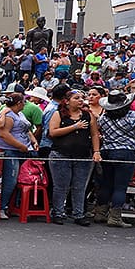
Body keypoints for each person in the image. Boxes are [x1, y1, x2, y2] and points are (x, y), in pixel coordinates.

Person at [93, 90, 135, 228]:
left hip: (106, 151)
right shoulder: (132, 116)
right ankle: (115, 217)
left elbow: (99, 131)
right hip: (126, 153)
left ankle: (100, 213)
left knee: (106, 183)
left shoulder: (104, 117)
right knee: (120, 186)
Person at [47, 90, 99, 225]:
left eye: (82, 97)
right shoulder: (58, 114)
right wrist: (74, 126)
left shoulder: (88, 116)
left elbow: (94, 134)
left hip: (83, 156)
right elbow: (53, 132)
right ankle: (58, 212)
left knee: (80, 186)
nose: (81, 100)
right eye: (77, 98)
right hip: (60, 154)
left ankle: (78, 214)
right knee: (61, 186)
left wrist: (96, 151)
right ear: (67, 101)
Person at [0, 92, 38, 219]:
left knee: (20, 179)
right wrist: (20, 146)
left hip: (23, 149)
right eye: (24, 101)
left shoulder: (20, 114)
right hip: (10, 150)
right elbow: (4, 134)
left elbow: (27, 129)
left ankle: (11, 205)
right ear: (19, 103)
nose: (25, 104)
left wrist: (33, 140)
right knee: (10, 180)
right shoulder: (8, 116)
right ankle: (1, 207)